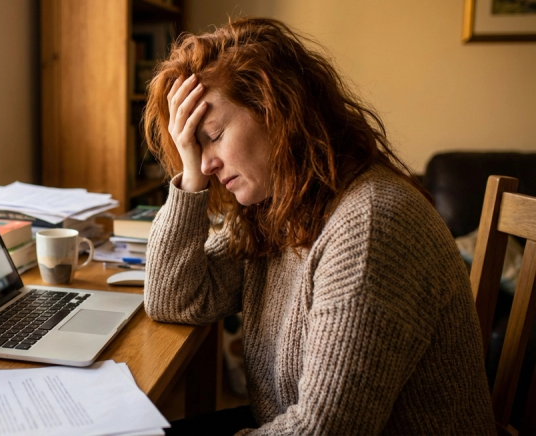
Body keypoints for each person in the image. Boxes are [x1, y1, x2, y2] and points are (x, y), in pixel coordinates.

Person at [142, 17, 495, 435]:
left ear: (279, 111)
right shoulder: (279, 208)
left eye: (213, 135)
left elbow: (323, 430)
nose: (206, 162)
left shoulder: (369, 226)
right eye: (194, 146)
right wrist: (189, 176)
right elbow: (174, 299)